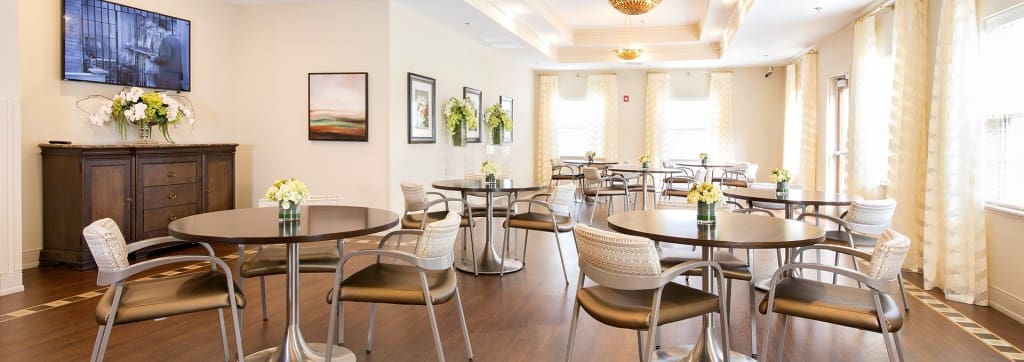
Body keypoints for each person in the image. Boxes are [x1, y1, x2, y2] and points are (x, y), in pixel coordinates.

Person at [151, 22, 184, 90]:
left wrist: (154, 59)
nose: (157, 31)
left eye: (158, 28)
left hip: (166, 77)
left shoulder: (165, 40)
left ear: (161, 29)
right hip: (176, 77)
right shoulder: (176, 40)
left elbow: (165, 58)